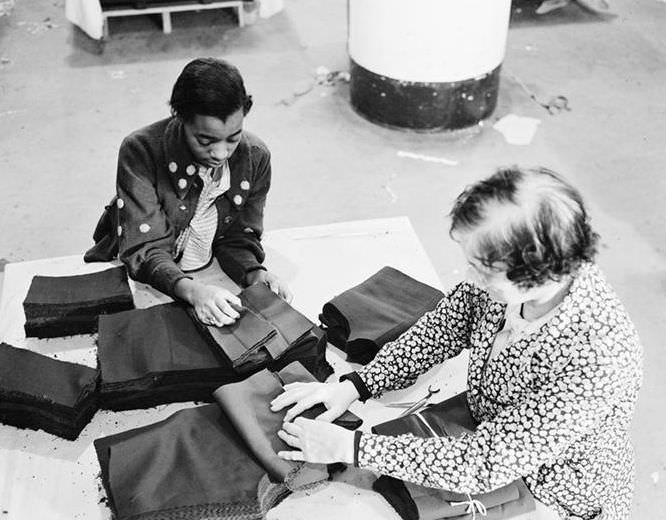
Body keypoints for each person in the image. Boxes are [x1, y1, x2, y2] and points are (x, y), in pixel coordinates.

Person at [271, 166, 643, 520]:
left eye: (482, 269)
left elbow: (484, 463)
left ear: (537, 272)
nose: (469, 278)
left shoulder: (600, 358)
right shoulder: (508, 285)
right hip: (489, 429)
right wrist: (356, 385)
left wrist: (349, 447)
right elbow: (445, 326)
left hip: (553, 490)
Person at [85, 57, 291, 326]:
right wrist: (194, 292)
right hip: (148, 278)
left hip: (209, 272)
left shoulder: (255, 157)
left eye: (233, 137)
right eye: (205, 140)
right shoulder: (141, 151)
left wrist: (255, 275)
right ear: (180, 117)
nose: (220, 153)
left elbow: (238, 237)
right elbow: (146, 249)